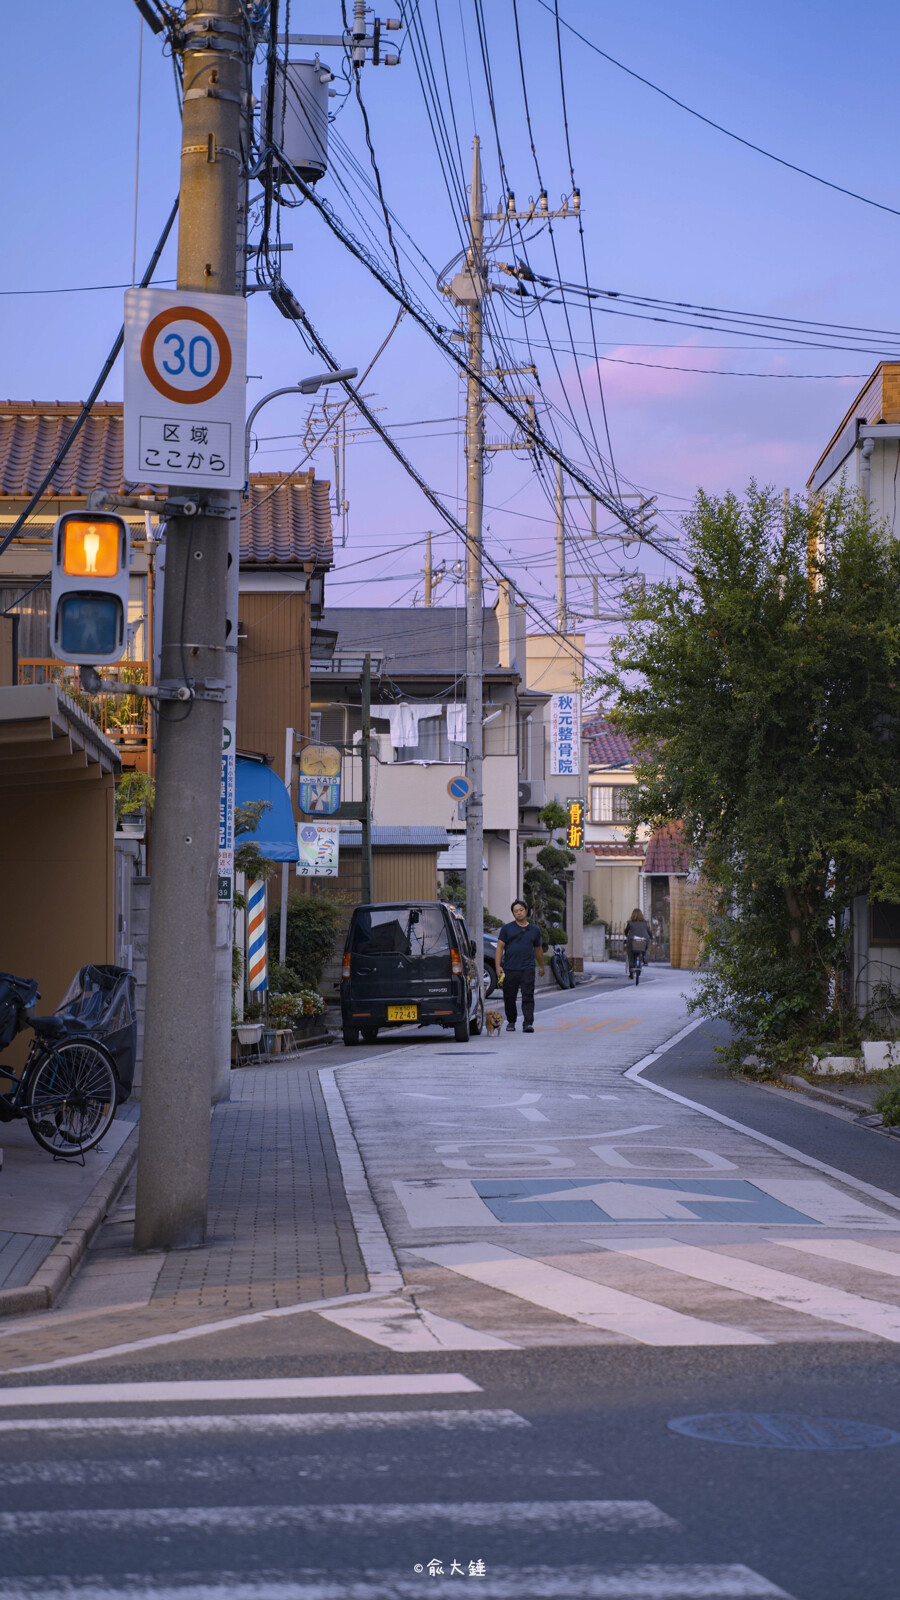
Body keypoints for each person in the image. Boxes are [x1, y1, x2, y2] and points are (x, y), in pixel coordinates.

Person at [496, 900, 545, 1032]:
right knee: (509, 996)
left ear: (526, 911)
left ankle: (528, 1023)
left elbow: (538, 950)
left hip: (527, 968)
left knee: (528, 996)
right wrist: (498, 966)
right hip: (510, 968)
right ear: (513, 913)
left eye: (521, 910)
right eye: (516, 911)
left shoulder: (534, 930)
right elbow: (500, 948)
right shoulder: (507, 929)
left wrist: (542, 966)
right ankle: (511, 1021)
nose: (519, 913)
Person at [624, 906, 650, 979]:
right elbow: (649, 932)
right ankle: (644, 958)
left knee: (630, 955)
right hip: (643, 940)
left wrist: (627, 936)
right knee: (644, 947)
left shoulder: (630, 923)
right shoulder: (645, 923)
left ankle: (631, 973)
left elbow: (626, 931)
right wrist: (651, 937)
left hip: (632, 941)